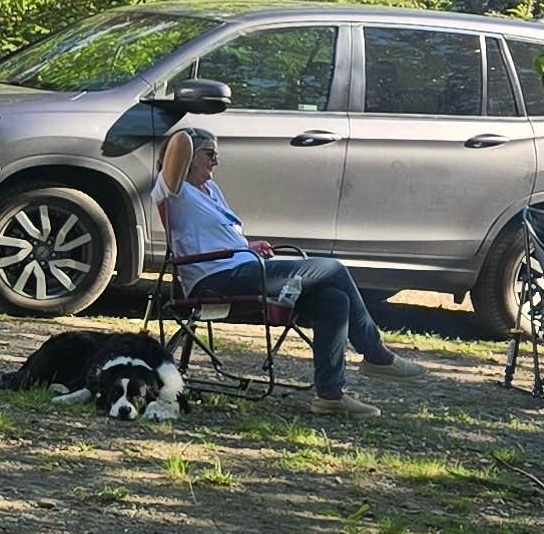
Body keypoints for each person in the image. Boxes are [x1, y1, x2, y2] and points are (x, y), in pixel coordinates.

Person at [156, 124, 396, 406]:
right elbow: (176, 153)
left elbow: (210, 235)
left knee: (333, 299)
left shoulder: (210, 189)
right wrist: (184, 138)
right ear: (190, 157)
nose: (216, 161)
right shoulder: (173, 190)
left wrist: (246, 246)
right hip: (215, 280)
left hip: (245, 268)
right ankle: (375, 352)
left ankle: (331, 395)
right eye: (210, 154)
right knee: (333, 268)